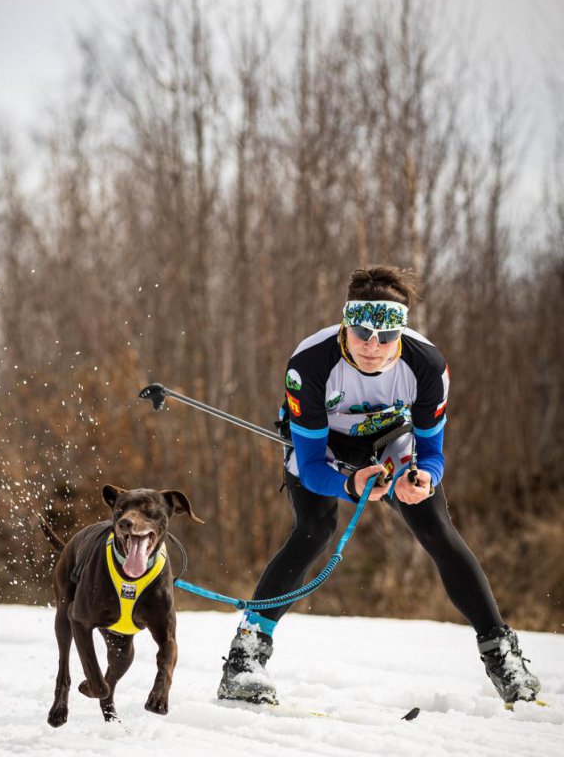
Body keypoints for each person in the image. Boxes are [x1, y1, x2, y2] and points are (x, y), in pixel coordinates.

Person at [217, 265, 540, 707]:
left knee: (434, 526)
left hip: (390, 441)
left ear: (401, 334)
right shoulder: (309, 364)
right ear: (346, 325)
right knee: (314, 530)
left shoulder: (427, 365)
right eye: (362, 332)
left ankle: (502, 656)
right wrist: (349, 484)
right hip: (323, 445)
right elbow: (311, 465)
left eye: (386, 337)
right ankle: (245, 659)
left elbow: (432, 453)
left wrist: (424, 479)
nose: (373, 346)